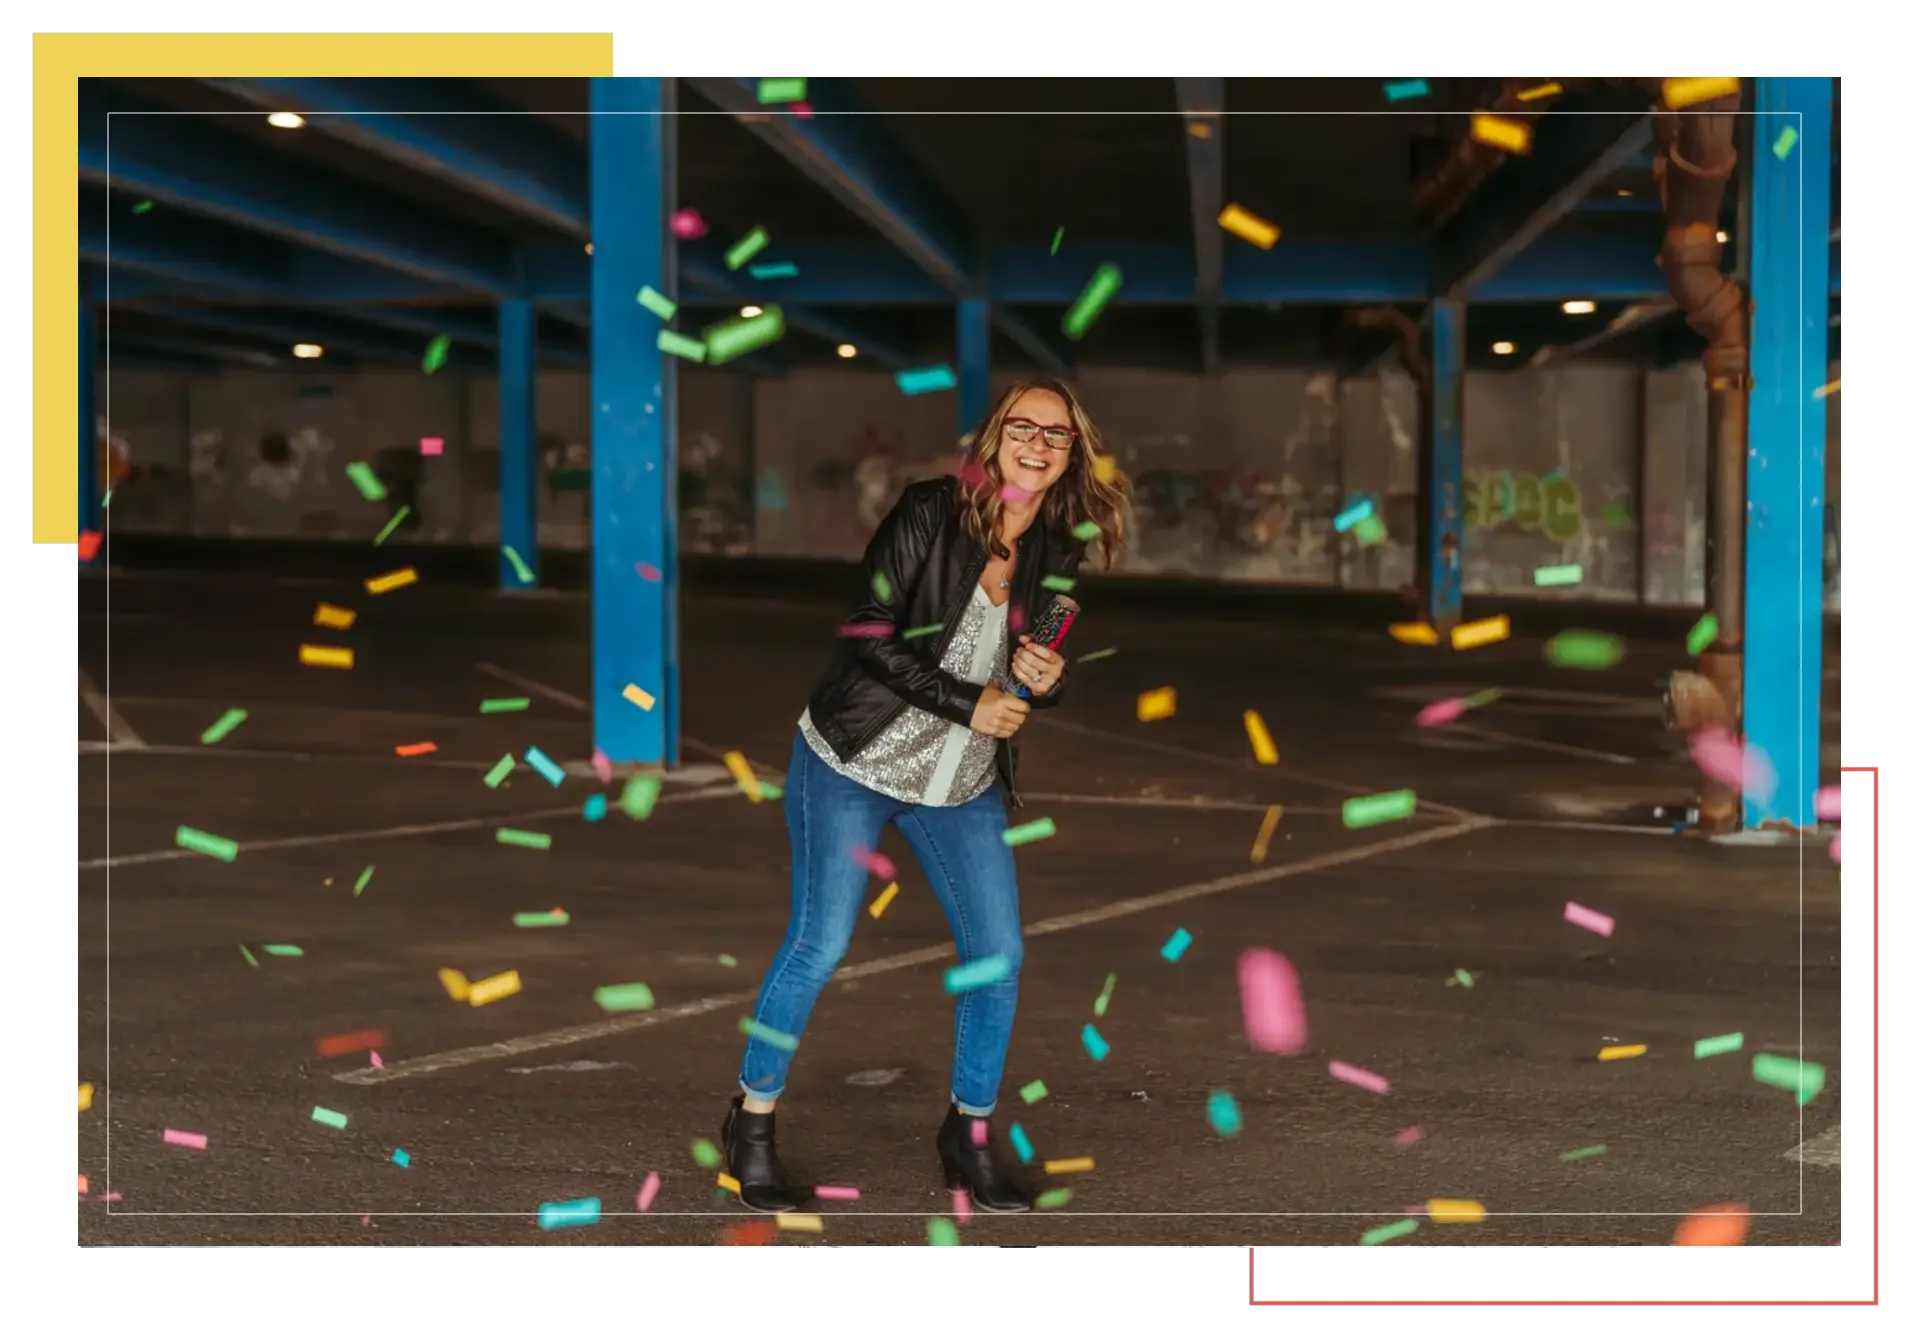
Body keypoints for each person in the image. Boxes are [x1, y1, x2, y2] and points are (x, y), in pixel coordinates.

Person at [722, 379, 1131, 1214]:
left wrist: (1046, 680)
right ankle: (751, 1124)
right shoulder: (931, 511)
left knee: (999, 957)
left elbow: (1034, 658)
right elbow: (869, 629)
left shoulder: (1062, 542)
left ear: (1072, 453)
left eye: (1057, 434)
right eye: (1025, 426)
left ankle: (967, 1135)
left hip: (958, 781)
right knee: (819, 943)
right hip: (851, 759)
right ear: (994, 438)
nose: (1039, 443)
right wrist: (969, 700)